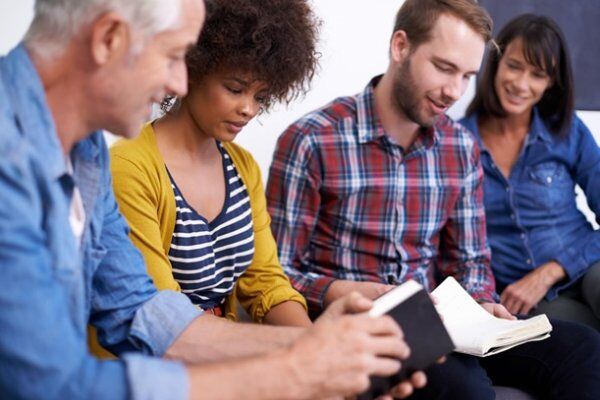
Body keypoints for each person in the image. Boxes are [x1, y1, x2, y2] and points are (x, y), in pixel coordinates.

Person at [0, 0, 426, 399]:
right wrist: (294, 370)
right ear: (108, 38)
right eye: (172, 55)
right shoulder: (11, 160)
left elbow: (140, 313)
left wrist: (323, 348)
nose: (179, 82)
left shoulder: (86, 151)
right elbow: (51, 384)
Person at [267, 0, 600, 399]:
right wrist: (341, 289)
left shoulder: (459, 147)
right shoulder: (311, 140)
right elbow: (276, 274)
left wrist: (481, 303)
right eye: (444, 68)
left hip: (442, 323)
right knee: (465, 388)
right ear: (400, 46)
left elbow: (471, 260)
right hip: (361, 324)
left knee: (583, 347)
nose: (453, 92)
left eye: (467, 76)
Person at [108, 0, 316, 328]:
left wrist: (316, 342)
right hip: (152, 364)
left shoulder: (243, 168)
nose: (249, 109)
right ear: (191, 68)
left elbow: (266, 283)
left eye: (260, 97)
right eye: (235, 89)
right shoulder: (130, 168)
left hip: (220, 350)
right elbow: (162, 315)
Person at [460, 14, 600, 331]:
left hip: (590, 267)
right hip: (528, 300)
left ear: (551, 82)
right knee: (579, 337)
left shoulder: (568, 131)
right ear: (495, 62)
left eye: (537, 74)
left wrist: (552, 269)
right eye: (514, 66)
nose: (522, 84)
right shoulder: (458, 144)